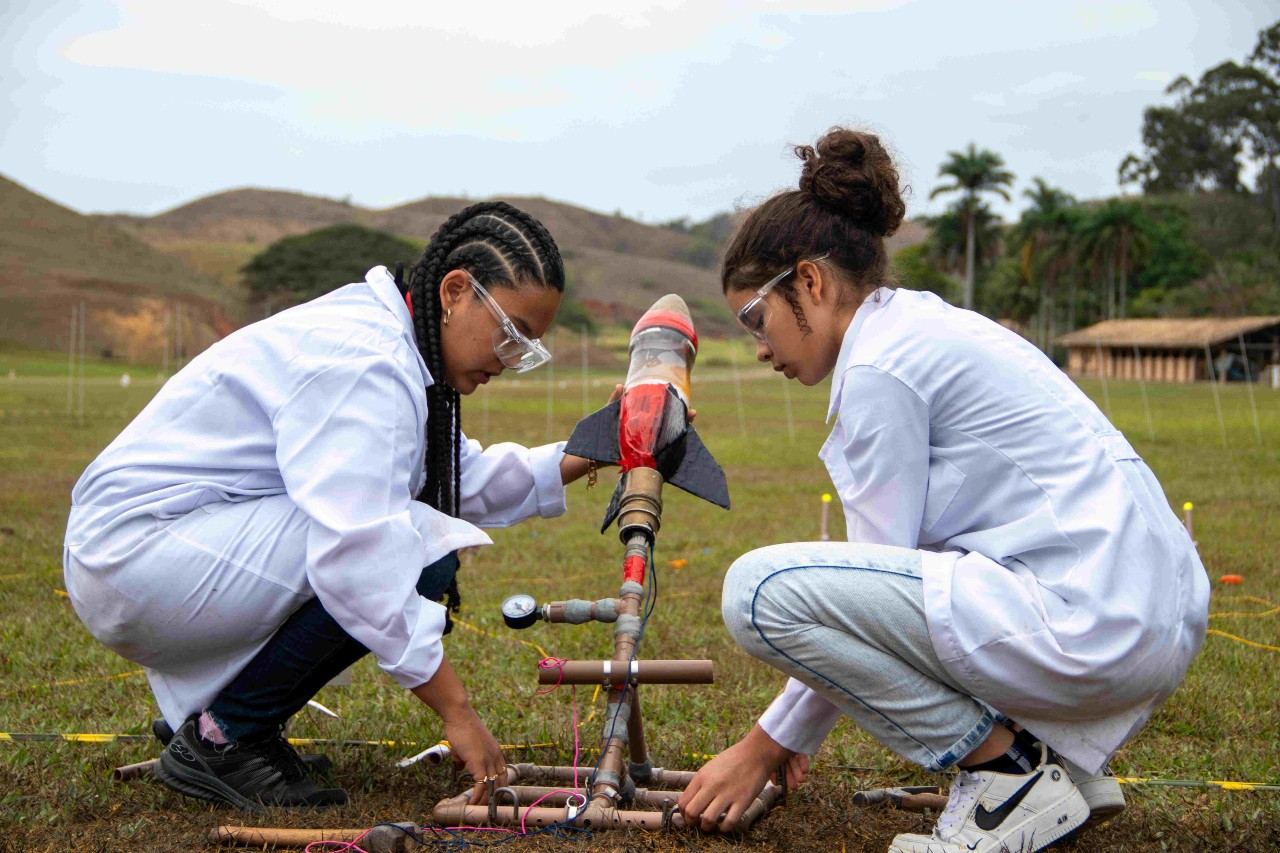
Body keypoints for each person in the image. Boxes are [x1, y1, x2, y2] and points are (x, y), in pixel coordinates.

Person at [677, 129, 1209, 853]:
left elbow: (866, 590)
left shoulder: (880, 367)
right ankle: (1049, 766)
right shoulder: (924, 326)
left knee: (758, 593)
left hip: (1096, 622)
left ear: (810, 282)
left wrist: (765, 745)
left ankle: (1007, 777)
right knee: (876, 584)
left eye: (754, 320)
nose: (760, 347)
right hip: (1150, 616)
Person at [63, 201, 603, 810]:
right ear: (456, 291)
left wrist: (602, 445)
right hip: (139, 557)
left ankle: (231, 720)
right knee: (410, 549)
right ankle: (225, 738)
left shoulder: (400, 347)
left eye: (528, 347)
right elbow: (358, 555)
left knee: (415, 535)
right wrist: (458, 713)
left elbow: (462, 479)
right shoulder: (366, 361)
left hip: (172, 547)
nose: (511, 361)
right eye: (512, 335)